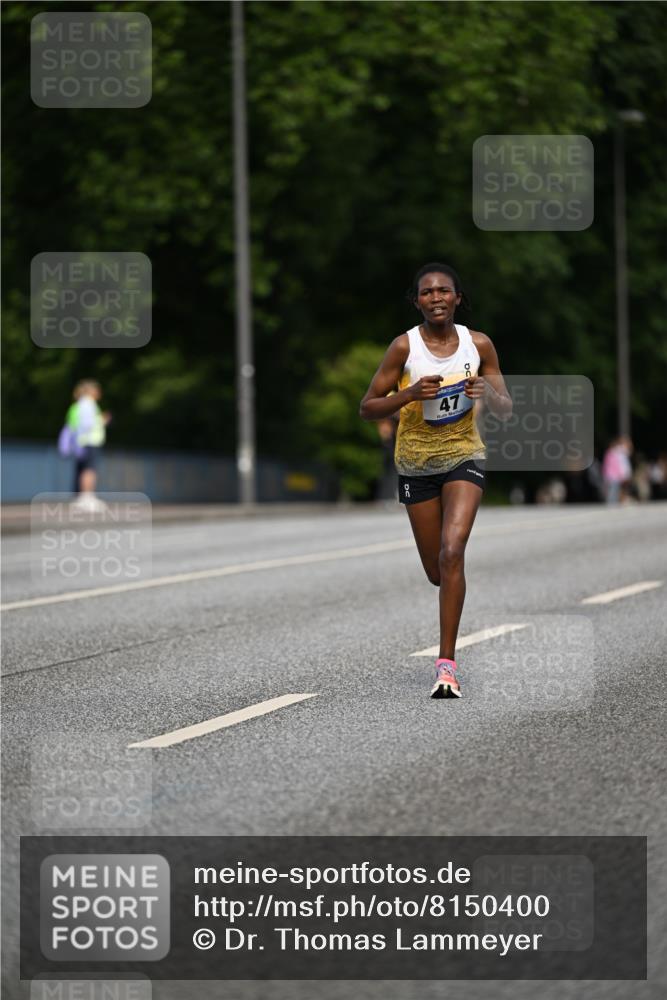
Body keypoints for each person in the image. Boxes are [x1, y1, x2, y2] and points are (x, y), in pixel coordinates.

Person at [360, 262, 511, 698]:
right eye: (427, 293)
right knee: (435, 571)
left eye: (444, 291)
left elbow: (506, 408)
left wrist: (489, 392)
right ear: (417, 301)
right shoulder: (403, 348)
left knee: (451, 552)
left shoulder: (477, 344)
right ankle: (448, 584)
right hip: (415, 464)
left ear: (457, 297)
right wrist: (407, 394)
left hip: (464, 455)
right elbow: (367, 407)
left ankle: (446, 665)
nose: (436, 298)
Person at [65, 380, 111, 511]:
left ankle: (81, 497)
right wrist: (102, 420)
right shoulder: (88, 403)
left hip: (81, 441)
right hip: (89, 441)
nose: (99, 392)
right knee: (89, 470)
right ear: (91, 391)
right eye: (97, 390)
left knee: (82, 469)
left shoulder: (79, 404)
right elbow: (87, 424)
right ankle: (87, 498)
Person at [602, 435, 633, 504]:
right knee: (613, 490)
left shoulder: (614, 452)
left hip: (615, 475)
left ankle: (613, 503)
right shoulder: (615, 452)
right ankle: (611, 503)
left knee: (615, 490)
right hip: (614, 476)